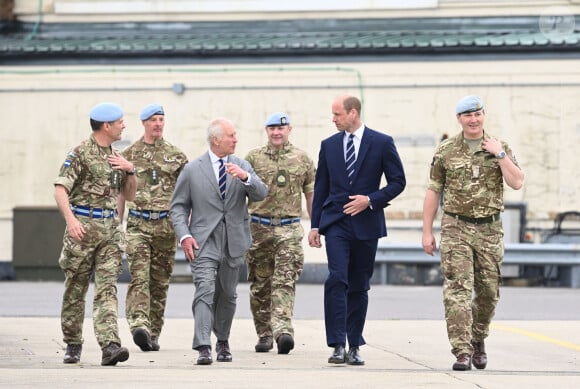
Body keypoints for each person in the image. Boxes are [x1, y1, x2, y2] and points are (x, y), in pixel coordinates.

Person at [421, 95, 524, 371]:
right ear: (459, 119)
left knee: (489, 291)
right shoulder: (446, 151)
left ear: (483, 115)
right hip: (456, 227)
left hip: (490, 229)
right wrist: (427, 231)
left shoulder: (500, 147)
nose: (474, 119)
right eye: (468, 115)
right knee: (458, 290)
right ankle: (462, 350)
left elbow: (516, 182)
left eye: (477, 114)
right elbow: (433, 191)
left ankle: (478, 337)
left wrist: (500, 155)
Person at [307, 94, 406, 365]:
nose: (333, 119)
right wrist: (315, 225)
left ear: (353, 113)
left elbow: (398, 182)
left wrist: (370, 200)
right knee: (337, 278)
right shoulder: (328, 145)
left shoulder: (382, 143)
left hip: (367, 224)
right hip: (336, 223)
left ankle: (354, 345)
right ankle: (337, 343)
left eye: (337, 114)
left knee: (359, 285)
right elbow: (322, 186)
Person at [170, 118, 268, 366]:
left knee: (227, 294)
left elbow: (261, 193)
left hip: (234, 240)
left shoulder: (242, 164)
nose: (236, 139)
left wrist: (246, 178)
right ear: (216, 140)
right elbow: (178, 207)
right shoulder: (193, 170)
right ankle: (203, 345)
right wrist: (184, 235)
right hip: (203, 240)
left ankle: (222, 340)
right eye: (231, 135)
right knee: (205, 289)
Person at [54, 102, 136, 366]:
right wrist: (71, 221)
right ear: (106, 126)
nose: (124, 125)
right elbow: (60, 189)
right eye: (120, 122)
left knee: (107, 288)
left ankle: (110, 345)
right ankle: (73, 342)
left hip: (109, 232)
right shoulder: (80, 153)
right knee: (75, 290)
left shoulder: (116, 156)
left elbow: (130, 195)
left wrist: (130, 170)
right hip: (83, 231)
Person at [117, 104, 188, 352]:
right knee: (140, 276)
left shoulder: (176, 156)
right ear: (144, 123)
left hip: (166, 226)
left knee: (159, 281)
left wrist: (185, 227)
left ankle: (153, 333)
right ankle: (139, 325)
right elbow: (120, 195)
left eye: (161, 119)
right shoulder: (128, 155)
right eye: (153, 120)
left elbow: (186, 194)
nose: (158, 124)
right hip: (138, 223)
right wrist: (118, 225)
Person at [245, 112, 316, 354]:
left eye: (281, 128)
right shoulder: (253, 158)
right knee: (260, 284)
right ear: (266, 130)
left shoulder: (302, 159)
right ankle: (264, 333)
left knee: (285, 280)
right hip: (258, 228)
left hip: (289, 227)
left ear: (289, 130)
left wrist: (315, 225)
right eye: (272, 128)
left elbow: (311, 194)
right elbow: (240, 193)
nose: (276, 132)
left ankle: (283, 330)